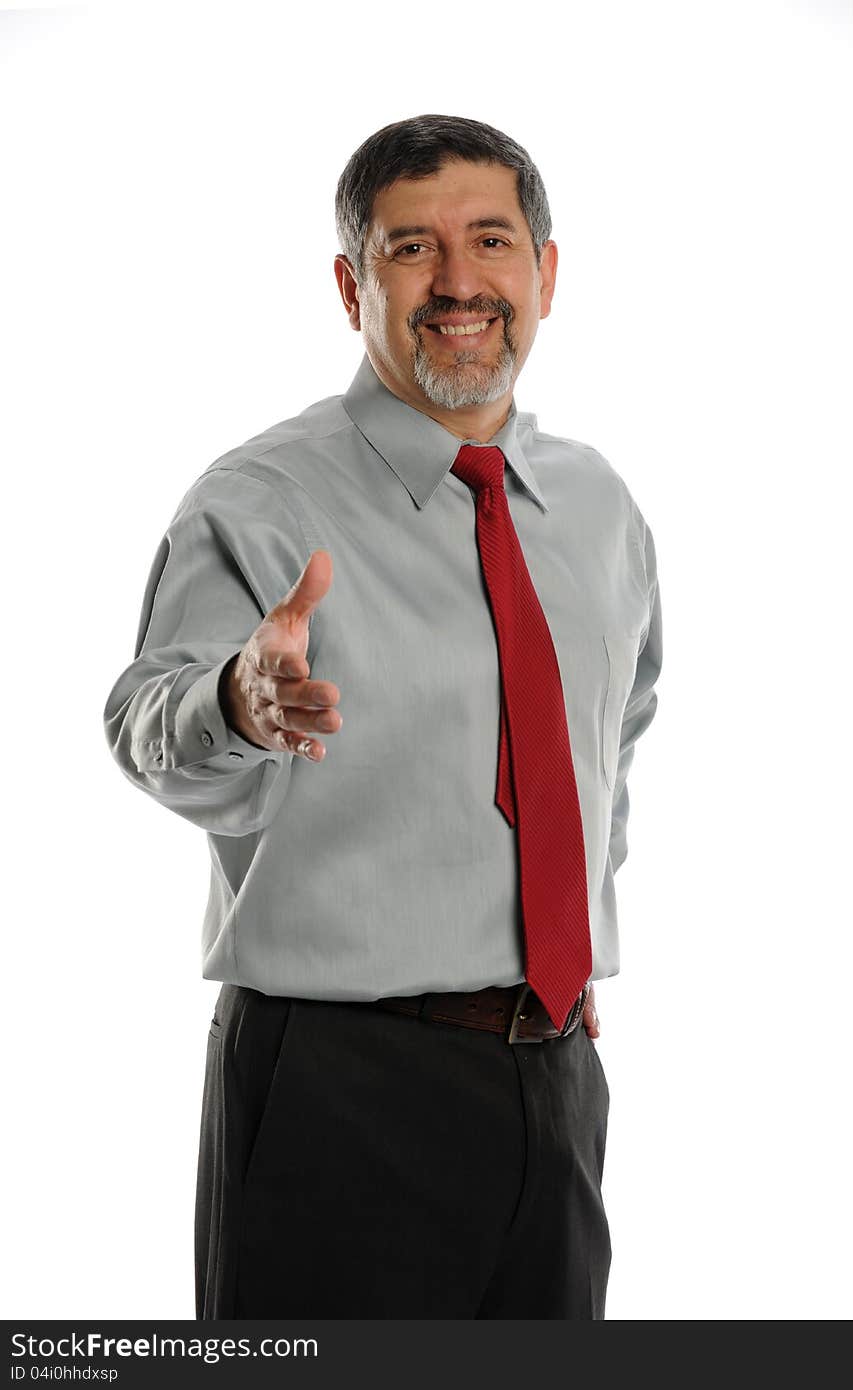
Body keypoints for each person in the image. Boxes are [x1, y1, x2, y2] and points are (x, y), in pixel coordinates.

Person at [103, 113, 662, 1321]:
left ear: (545, 273)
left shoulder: (597, 505)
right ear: (352, 283)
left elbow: (614, 730)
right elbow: (146, 719)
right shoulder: (260, 500)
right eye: (412, 249)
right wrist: (235, 705)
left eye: (491, 241)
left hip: (556, 1084)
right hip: (336, 1098)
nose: (459, 283)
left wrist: (554, 933)